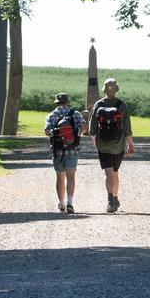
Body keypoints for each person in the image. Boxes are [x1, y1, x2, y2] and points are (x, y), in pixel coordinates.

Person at [89, 77, 134, 213]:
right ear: (116, 89)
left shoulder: (98, 105)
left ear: (104, 89)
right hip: (118, 144)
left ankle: (110, 200)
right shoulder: (122, 105)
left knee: (108, 173)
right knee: (115, 172)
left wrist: (95, 142)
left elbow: (92, 129)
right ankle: (115, 197)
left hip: (103, 144)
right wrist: (130, 145)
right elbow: (127, 128)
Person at [44, 93, 85, 213]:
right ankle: (70, 203)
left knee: (60, 177)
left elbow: (47, 131)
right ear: (67, 102)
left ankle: (61, 203)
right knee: (71, 176)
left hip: (58, 150)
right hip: (73, 149)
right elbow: (84, 128)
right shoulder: (76, 113)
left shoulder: (52, 115)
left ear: (56, 103)